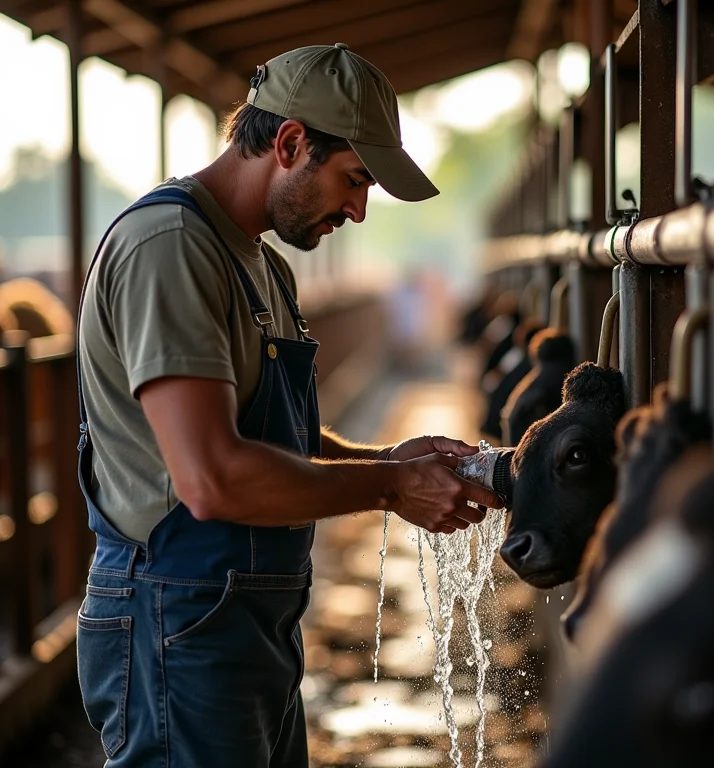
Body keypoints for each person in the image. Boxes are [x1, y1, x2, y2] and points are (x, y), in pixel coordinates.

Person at [75, 43, 502, 768]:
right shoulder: (171, 248)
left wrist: (391, 459)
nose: (360, 210)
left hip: (247, 619)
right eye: (354, 179)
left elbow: (273, 434)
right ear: (291, 143)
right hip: (175, 614)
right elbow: (214, 479)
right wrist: (390, 488)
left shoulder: (261, 263)